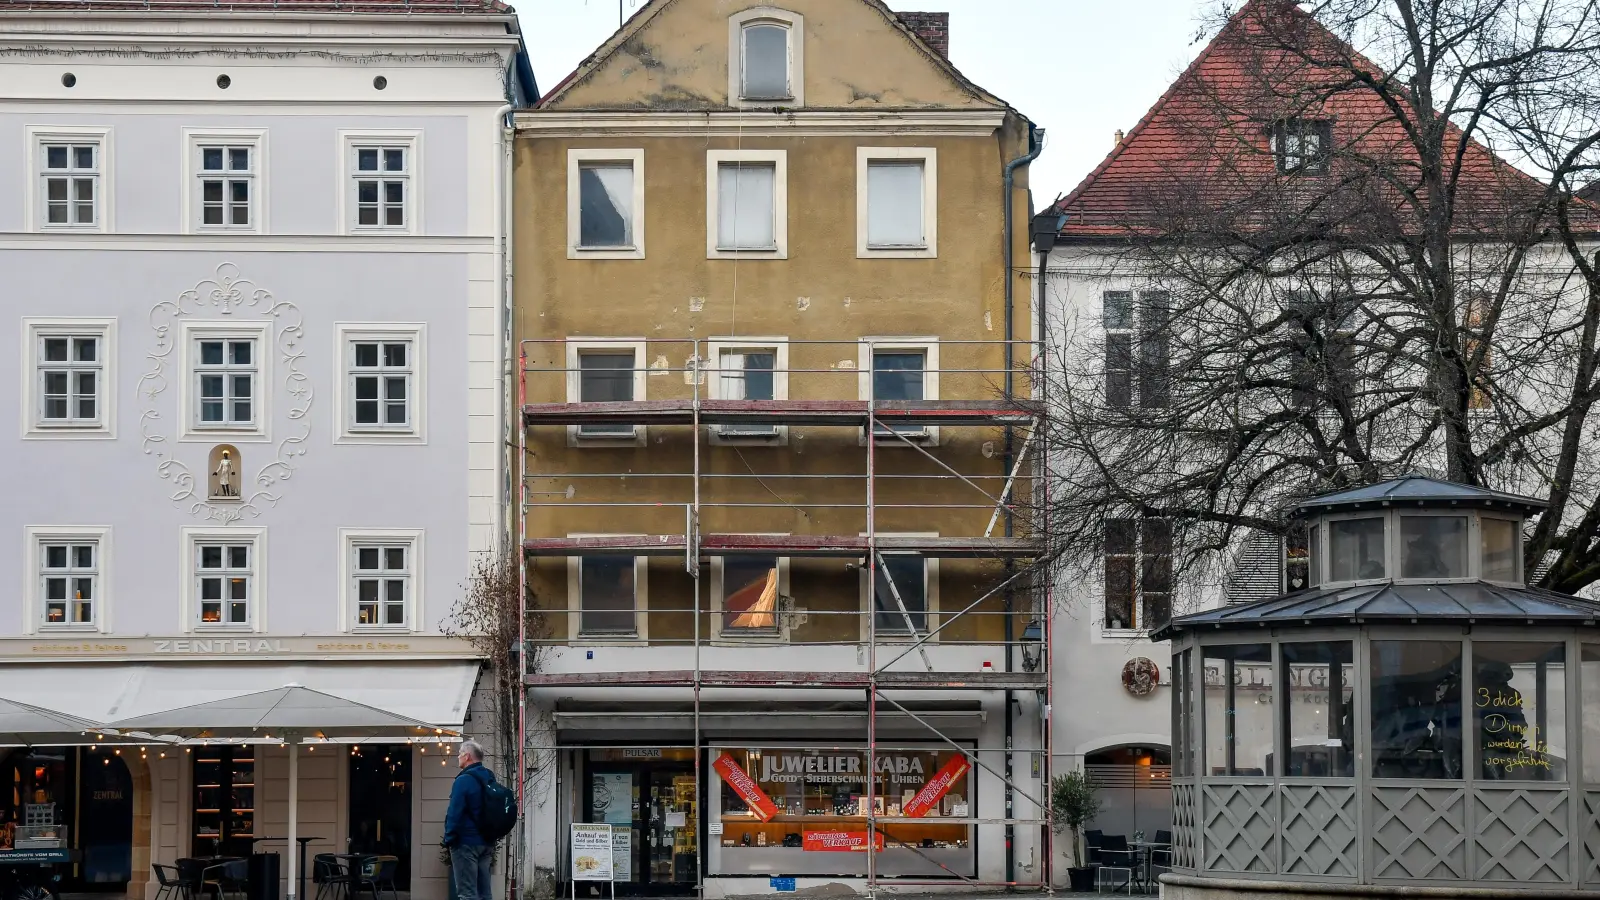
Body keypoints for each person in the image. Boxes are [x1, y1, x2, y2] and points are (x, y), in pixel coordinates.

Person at [444, 741, 497, 900]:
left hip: (466, 843)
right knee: (485, 893)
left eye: (460, 753)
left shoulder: (463, 780)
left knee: (467, 894)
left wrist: (449, 838)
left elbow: (454, 813)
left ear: (467, 756)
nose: (458, 756)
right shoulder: (489, 777)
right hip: (486, 842)